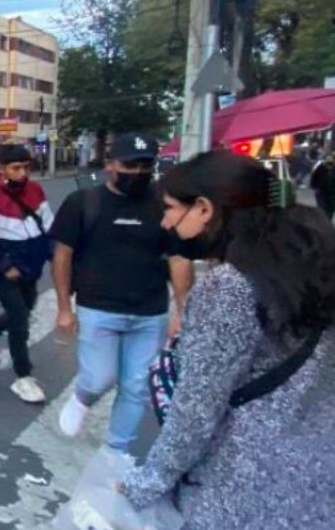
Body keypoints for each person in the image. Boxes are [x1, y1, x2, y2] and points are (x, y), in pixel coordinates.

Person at [120, 151, 335, 529]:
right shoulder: (311, 263)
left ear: (204, 209)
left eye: (170, 208)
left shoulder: (229, 288)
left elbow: (196, 410)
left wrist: (147, 483)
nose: (166, 221)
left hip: (239, 486)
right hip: (317, 484)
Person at [50, 133, 194, 453]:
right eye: (130, 165)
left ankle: (116, 454)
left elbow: (179, 257)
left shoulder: (164, 205)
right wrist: (64, 307)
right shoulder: (83, 203)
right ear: (111, 165)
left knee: (136, 388)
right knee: (100, 378)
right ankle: (83, 396)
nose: (138, 173)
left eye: (146, 165)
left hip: (150, 313)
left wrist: (183, 312)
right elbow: (62, 255)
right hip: (98, 308)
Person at [0, 144, 55, 403]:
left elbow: (47, 226)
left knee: (25, 309)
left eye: (26, 167)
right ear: (2, 168)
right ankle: (23, 377)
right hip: (2, 267)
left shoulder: (35, 189)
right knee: (19, 318)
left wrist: (53, 256)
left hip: (31, 265)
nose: (22, 173)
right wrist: (7, 266)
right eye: (16, 168)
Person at [309, 152, 335, 220]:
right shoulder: (322, 166)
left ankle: (327, 222)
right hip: (321, 191)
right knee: (322, 208)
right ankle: (322, 222)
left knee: (330, 209)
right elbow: (314, 176)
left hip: (331, 192)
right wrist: (314, 187)